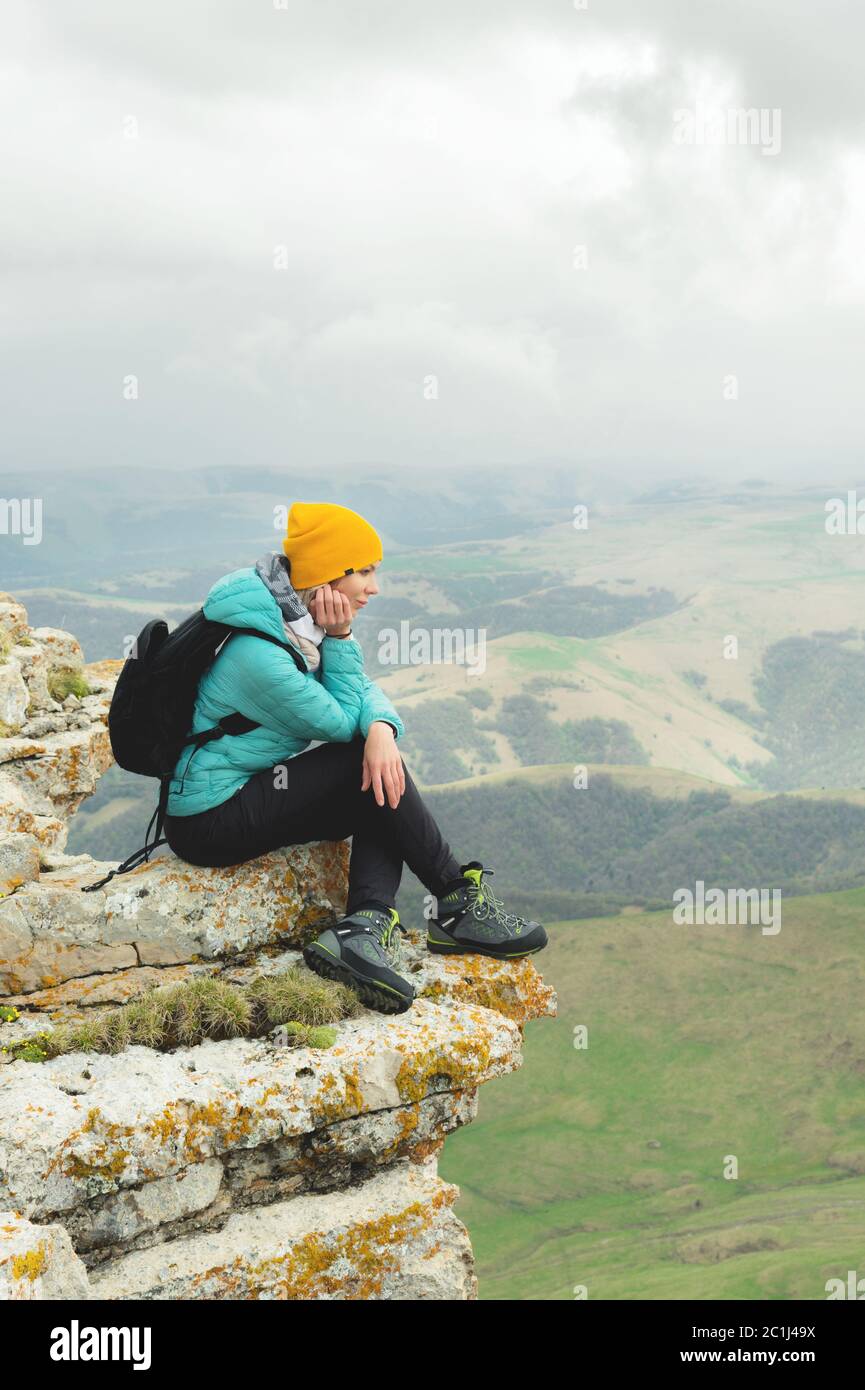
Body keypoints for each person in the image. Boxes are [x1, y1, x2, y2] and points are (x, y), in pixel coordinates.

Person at [163, 501, 547, 1014]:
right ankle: (456, 903)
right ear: (327, 574)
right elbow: (342, 720)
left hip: (244, 793)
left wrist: (383, 729)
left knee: (375, 774)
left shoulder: (291, 625)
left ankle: (365, 927)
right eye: (364, 571)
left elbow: (362, 696)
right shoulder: (261, 654)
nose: (374, 587)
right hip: (208, 819)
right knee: (360, 762)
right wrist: (344, 645)